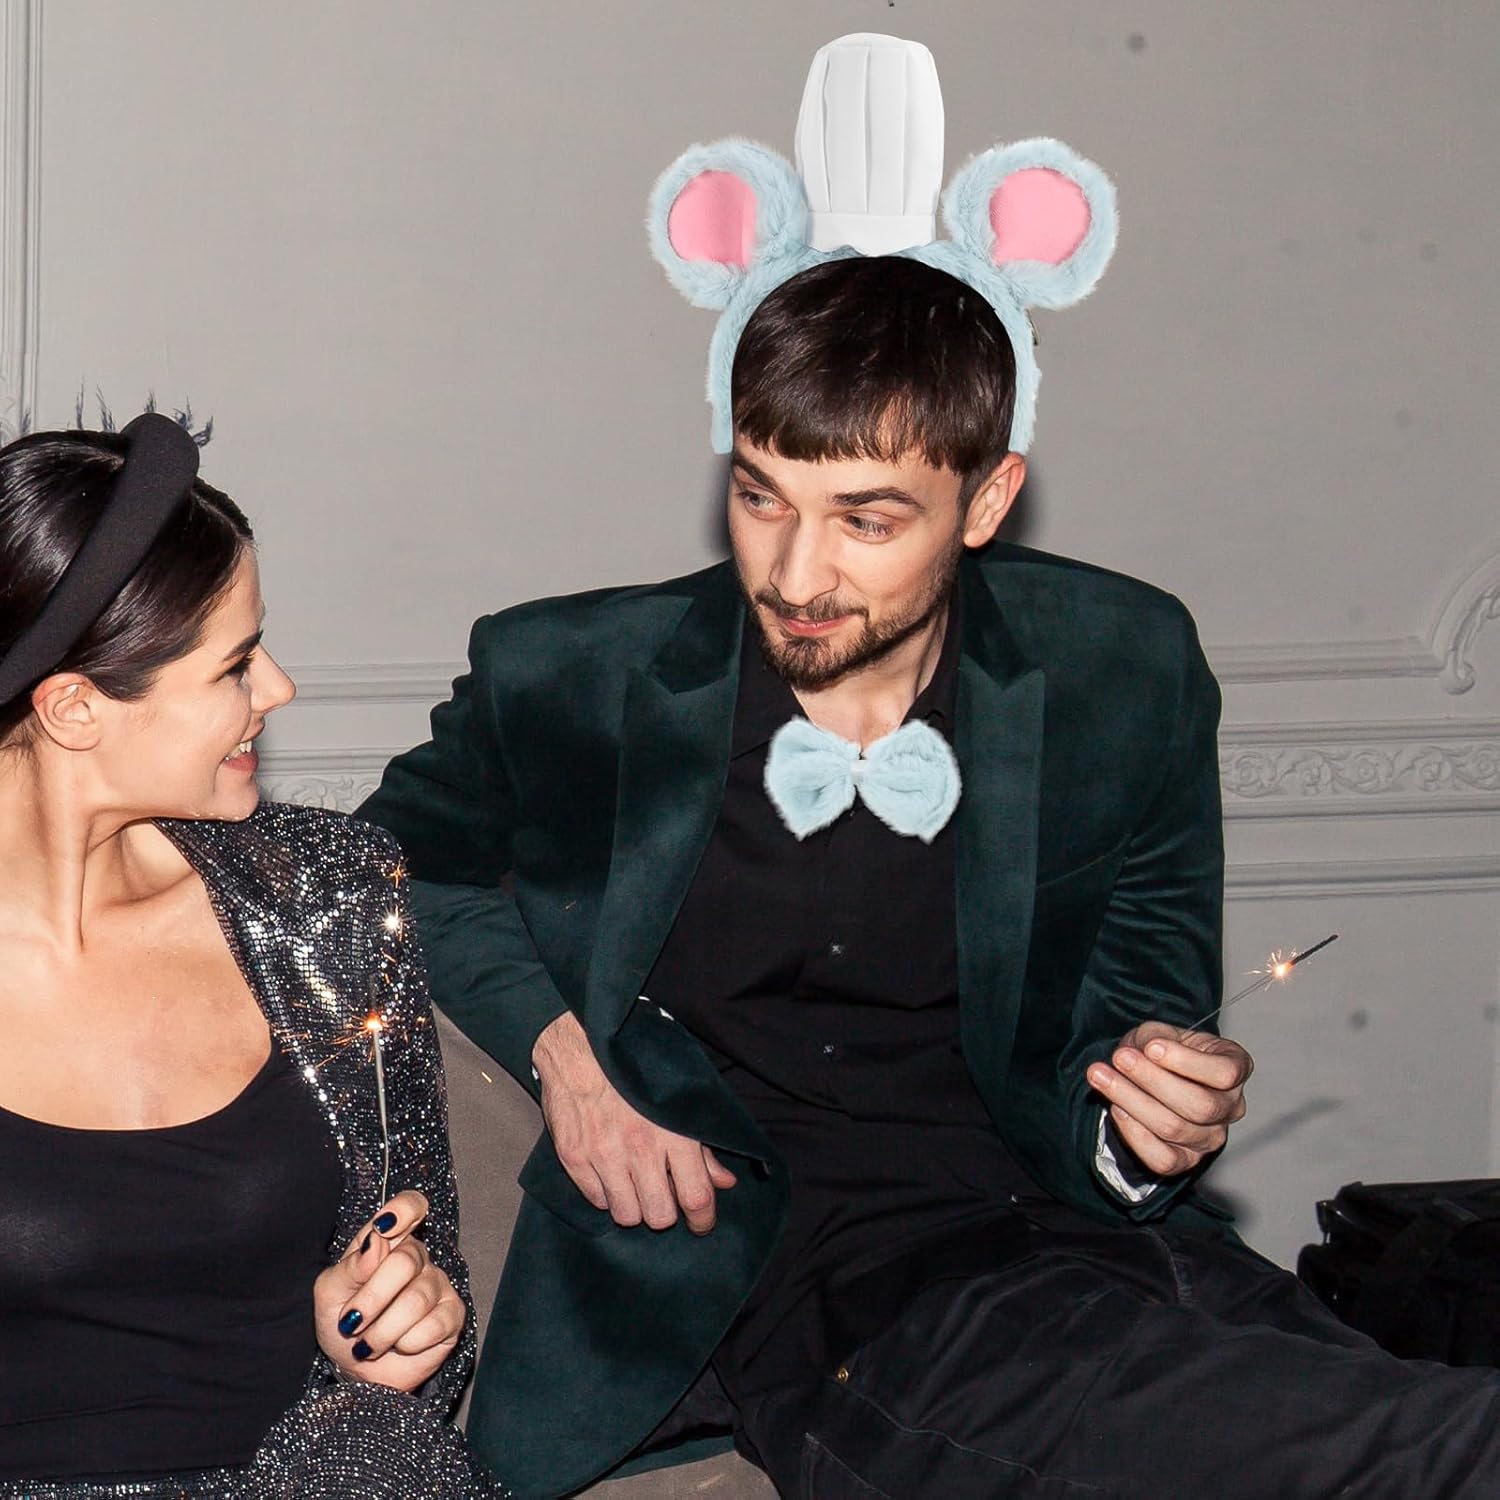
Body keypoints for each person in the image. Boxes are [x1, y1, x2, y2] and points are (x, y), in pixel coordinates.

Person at [361, 36, 1500, 1499]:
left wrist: (1155, 1123)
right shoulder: (574, 676)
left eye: (868, 519)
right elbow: (379, 875)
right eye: (761, 496)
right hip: (835, 1299)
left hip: (1103, 1248)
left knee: (1414, 1415)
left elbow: (1137, 1018)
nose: (796, 572)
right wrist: (565, 1057)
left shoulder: (1122, 669)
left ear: (990, 498)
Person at [0, 415, 504, 1498]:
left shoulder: (328, 895)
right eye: (235, 664)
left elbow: (426, 1264)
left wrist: (405, 1325)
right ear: (75, 708)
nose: (277, 690)